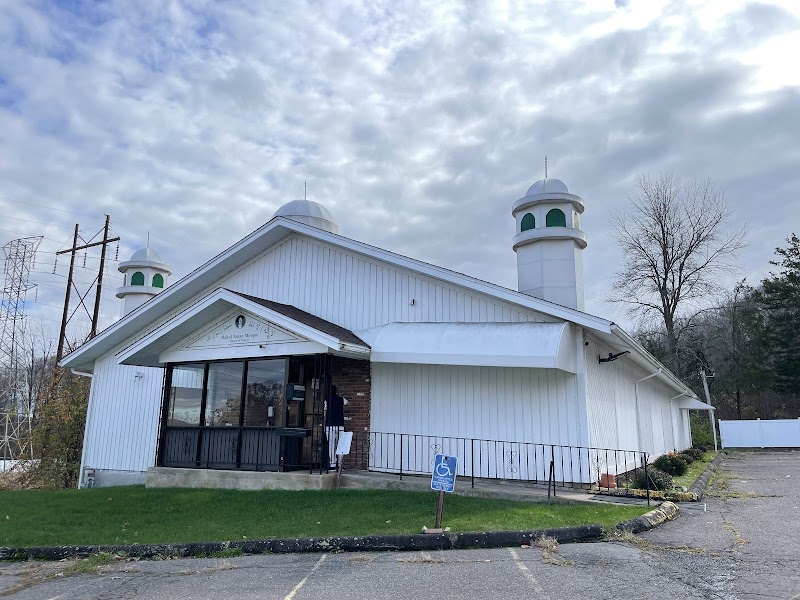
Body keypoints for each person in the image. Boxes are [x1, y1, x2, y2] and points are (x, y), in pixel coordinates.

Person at [325, 384, 347, 468]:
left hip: (330, 425)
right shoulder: (341, 399)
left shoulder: (327, 400)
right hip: (340, 425)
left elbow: (324, 411)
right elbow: (347, 402)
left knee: (331, 445)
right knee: (340, 445)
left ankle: (332, 463)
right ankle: (340, 463)